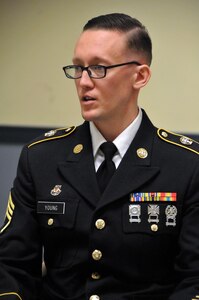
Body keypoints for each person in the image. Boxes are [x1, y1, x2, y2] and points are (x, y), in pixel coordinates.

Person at [0, 12, 199, 300]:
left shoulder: (186, 165)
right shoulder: (41, 157)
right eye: (78, 68)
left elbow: (194, 279)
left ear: (139, 76)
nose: (83, 82)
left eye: (98, 68)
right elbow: (10, 266)